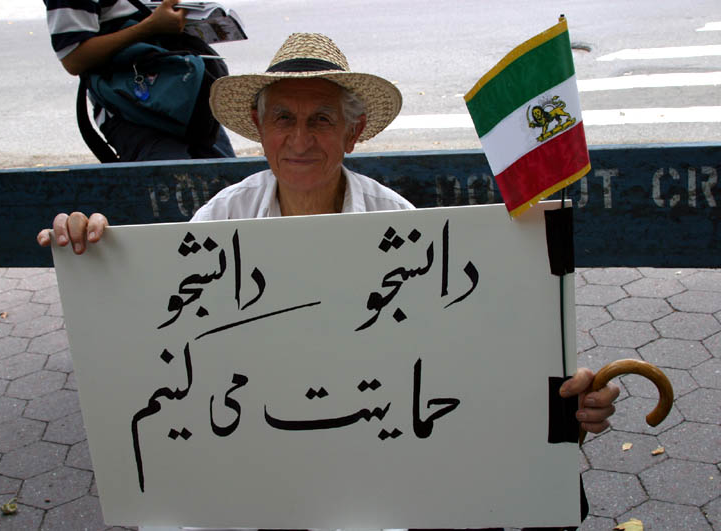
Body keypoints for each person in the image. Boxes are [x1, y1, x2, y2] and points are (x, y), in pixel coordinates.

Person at [38, 32, 620, 531]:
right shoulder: (220, 221)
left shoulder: (399, 227)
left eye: (321, 120)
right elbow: (160, 331)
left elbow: (464, 354)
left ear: (354, 131)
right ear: (259, 130)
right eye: (283, 119)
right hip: (248, 458)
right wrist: (93, 254)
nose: (299, 139)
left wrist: (561, 398)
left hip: (366, 467)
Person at [44, 0, 235, 161]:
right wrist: (150, 27)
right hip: (134, 111)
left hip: (187, 102)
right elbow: (74, 57)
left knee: (225, 185)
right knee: (171, 191)